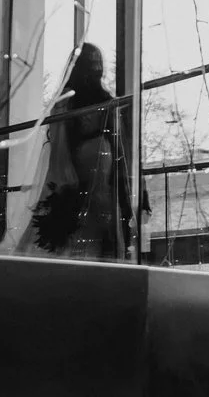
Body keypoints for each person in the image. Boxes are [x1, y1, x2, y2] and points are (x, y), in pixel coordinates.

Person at [17, 43, 148, 260]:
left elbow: (115, 139)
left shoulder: (98, 97)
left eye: (99, 62)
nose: (98, 67)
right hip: (86, 165)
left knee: (98, 220)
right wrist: (66, 177)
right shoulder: (74, 98)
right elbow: (60, 142)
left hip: (99, 167)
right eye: (93, 62)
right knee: (87, 221)